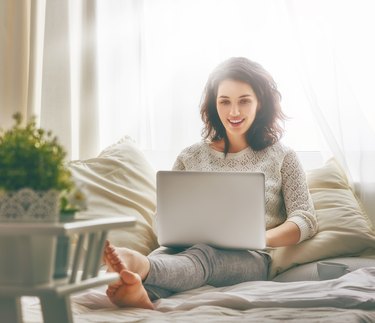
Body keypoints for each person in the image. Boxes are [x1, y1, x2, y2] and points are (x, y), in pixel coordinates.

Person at [103, 57, 318, 309]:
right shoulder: (189, 156)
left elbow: (305, 218)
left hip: (249, 258)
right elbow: (163, 217)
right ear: (214, 105)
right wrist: (169, 228)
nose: (234, 112)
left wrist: (261, 237)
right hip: (183, 250)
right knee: (166, 256)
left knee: (205, 256)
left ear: (260, 104)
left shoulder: (282, 156)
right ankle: (138, 291)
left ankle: (143, 268)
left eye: (244, 101)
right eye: (224, 101)